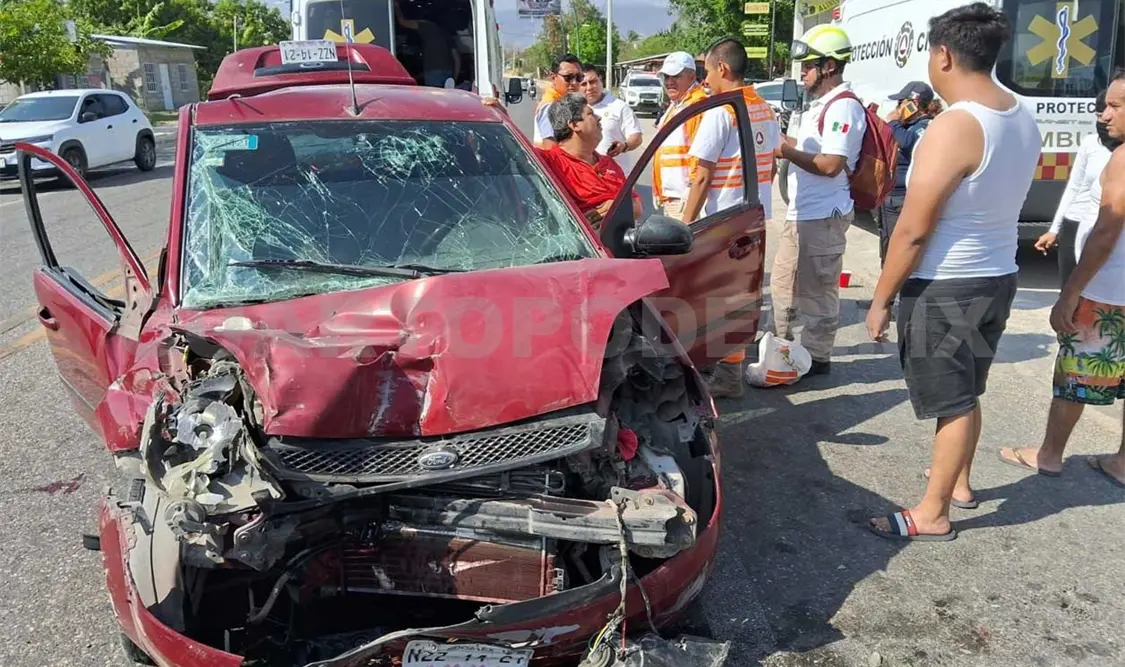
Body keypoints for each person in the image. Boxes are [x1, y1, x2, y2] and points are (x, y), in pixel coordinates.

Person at [865, 3, 1040, 541]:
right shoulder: (1019, 114)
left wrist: (881, 299)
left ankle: (933, 512)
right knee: (967, 388)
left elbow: (913, 230)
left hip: (947, 285)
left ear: (943, 54)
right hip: (997, 275)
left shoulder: (955, 125)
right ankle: (958, 482)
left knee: (952, 399)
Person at [998, 71, 1125, 488]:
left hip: (1108, 293)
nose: (1104, 115)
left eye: (1115, 106)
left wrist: (1070, 292)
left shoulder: (1123, 159)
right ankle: (1122, 461)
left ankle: (1049, 454)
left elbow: (1106, 232)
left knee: (1076, 374)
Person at [679, 37, 781, 397]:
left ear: (722, 68)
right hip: (753, 218)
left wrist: (684, 226)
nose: (705, 79)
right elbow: (771, 162)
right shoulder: (765, 110)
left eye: (707, 70)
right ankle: (727, 369)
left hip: (723, 222)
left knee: (720, 298)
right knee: (739, 296)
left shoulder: (721, 111)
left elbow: (702, 176)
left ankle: (725, 374)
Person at [771, 24, 867, 376]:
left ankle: (817, 357)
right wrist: (783, 142)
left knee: (818, 292)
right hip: (802, 212)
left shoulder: (843, 107)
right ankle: (781, 347)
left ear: (829, 66)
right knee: (783, 284)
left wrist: (786, 151)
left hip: (824, 215)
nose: (802, 73)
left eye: (808, 66)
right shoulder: (819, 106)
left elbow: (830, 165)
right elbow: (811, 149)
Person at [1035, 90, 1119, 288]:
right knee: (1070, 290)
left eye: (1111, 110)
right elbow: (1073, 188)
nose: (1104, 120)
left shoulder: (1121, 153)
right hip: (1076, 223)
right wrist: (1054, 230)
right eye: (1098, 115)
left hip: (1107, 228)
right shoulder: (1091, 144)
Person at [536, 93, 643, 226]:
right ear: (574, 125)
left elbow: (637, 207)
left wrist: (616, 208)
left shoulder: (609, 163)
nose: (599, 118)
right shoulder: (549, 162)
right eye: (591, 114)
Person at [880, 81, 942, 266]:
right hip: (891, 195)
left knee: (899, 252)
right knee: (887, 247)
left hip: (904, 198)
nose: (897, 108)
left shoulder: (926, 126)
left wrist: (893, 122)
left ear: (912, 104)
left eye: (901, 103)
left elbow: (908, 142)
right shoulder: (906, 126)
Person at [652, 52, 708, 220]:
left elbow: (701, 153)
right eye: (666, 76)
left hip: (685, 198)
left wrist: (692, 188)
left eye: (676, 76)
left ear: (692, 77)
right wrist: (657, 189)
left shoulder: (696, 106)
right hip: (672, 196)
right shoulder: (677, 105)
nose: (669, 81)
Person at [581, 63, 643, 173]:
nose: (589, 88)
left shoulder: (619, 107)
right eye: (584, 84)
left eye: (593, 82)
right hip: (587, 176)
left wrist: (624, 146)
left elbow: (636, 137)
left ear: (601, 80)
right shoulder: (576, 110)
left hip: (616, 177)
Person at [393, 1, 460, 88]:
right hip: (448, 72)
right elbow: (456, 57)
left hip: (433, 72)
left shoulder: (426, 26)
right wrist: (455, 78)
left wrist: (396, 6)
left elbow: (403, 22)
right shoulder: (446, 32)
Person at [534, 54, 583, 148]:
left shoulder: (566, 102)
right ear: (553, 77)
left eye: (579, 77)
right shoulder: (551, 106)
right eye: (568, 77)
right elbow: (550, 149)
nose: (574, 82)